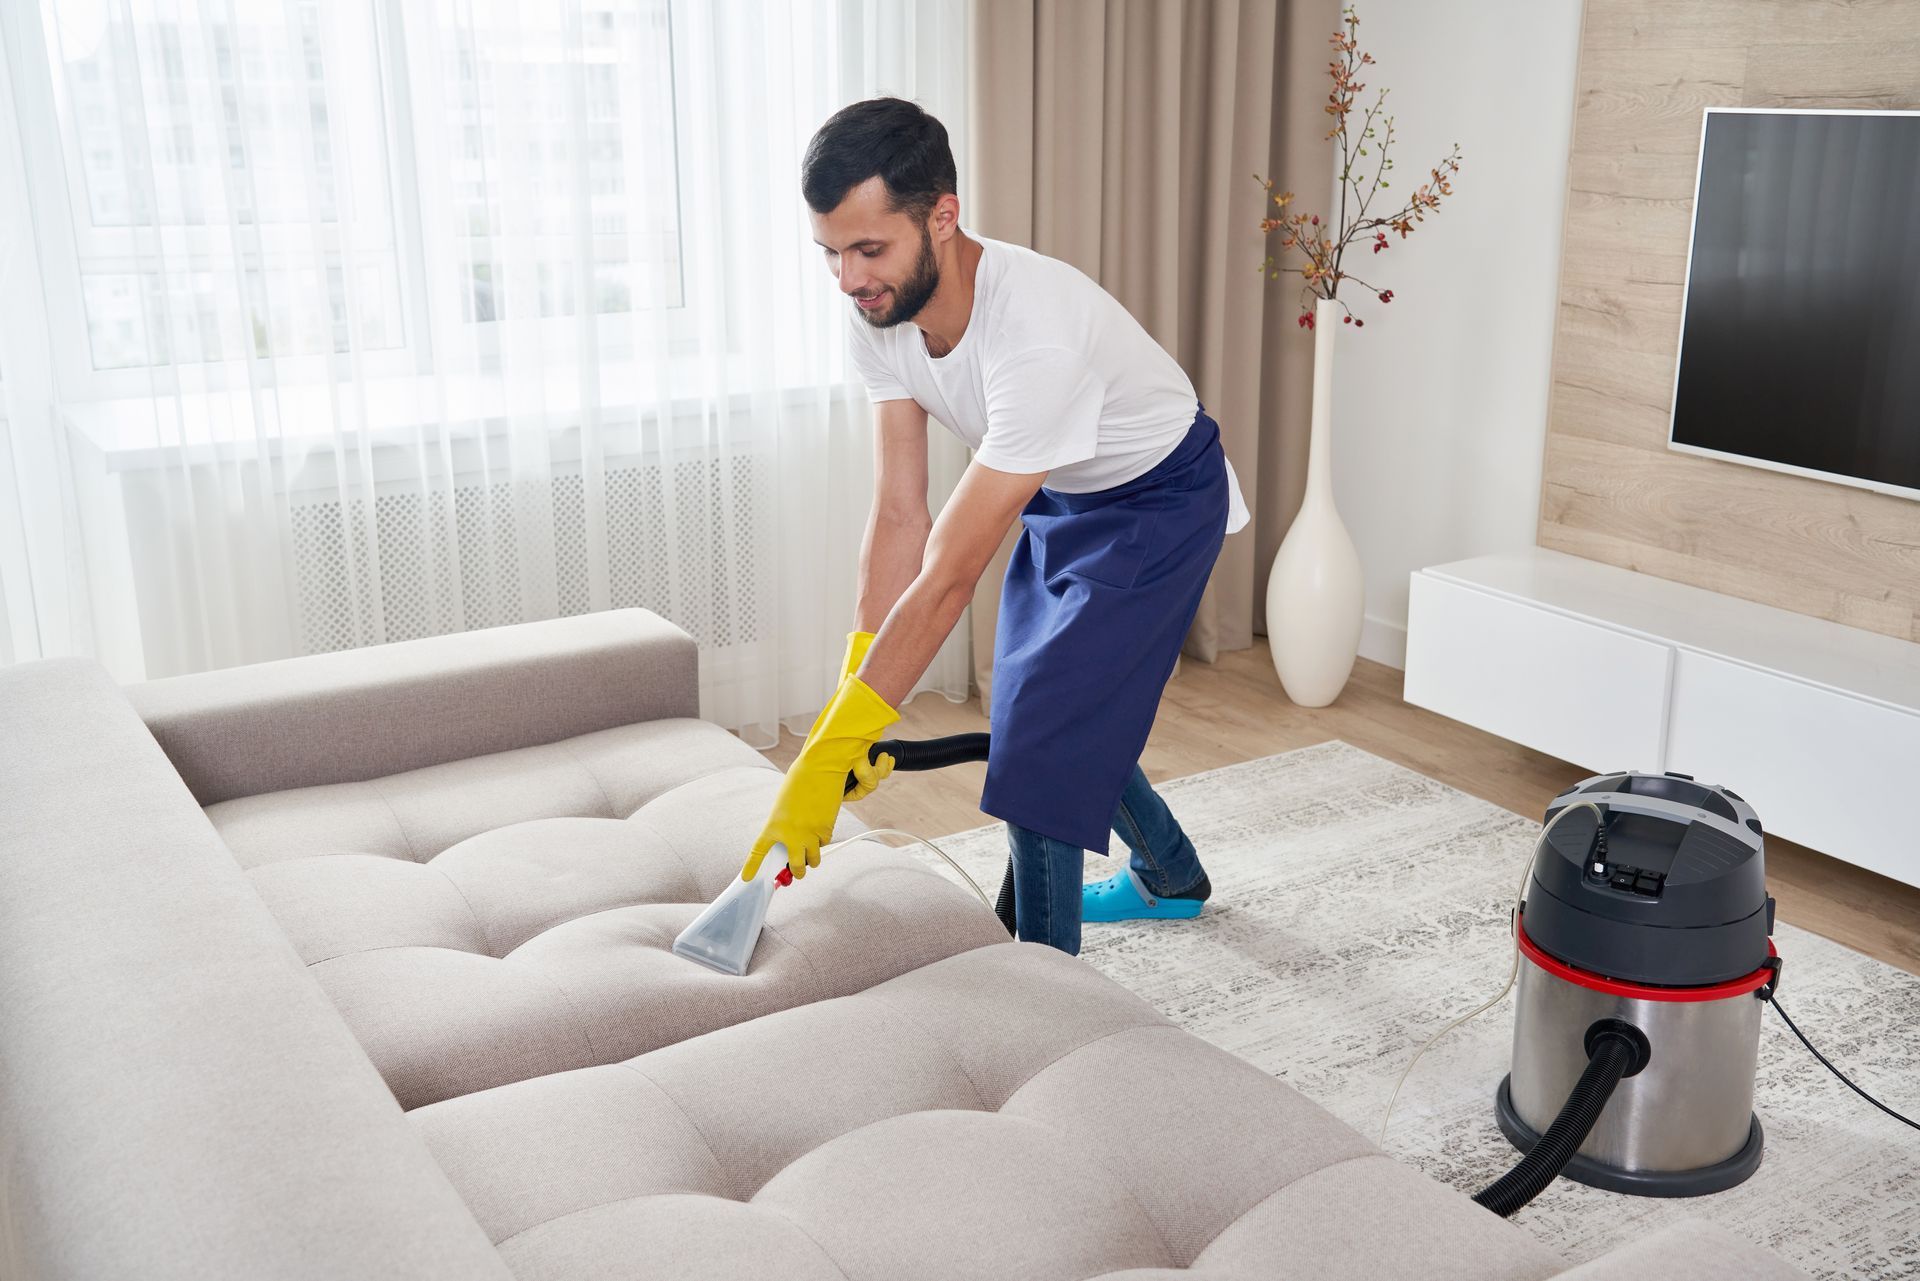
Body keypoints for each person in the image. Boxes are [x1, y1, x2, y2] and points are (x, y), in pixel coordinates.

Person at [739, 96, 1249, 956]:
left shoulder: (1033, 335)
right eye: (831, 253)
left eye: (870, 249)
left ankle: (1035, 986)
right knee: (1041, 708)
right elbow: (901, 511)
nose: (849, 279)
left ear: (943, 216)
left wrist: (828, 750)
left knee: (1043, 739)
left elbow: (947, 576)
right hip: (1065, 490)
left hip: (1158, 503)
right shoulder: (881, 315)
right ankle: (1172, 875)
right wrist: (856, 684)